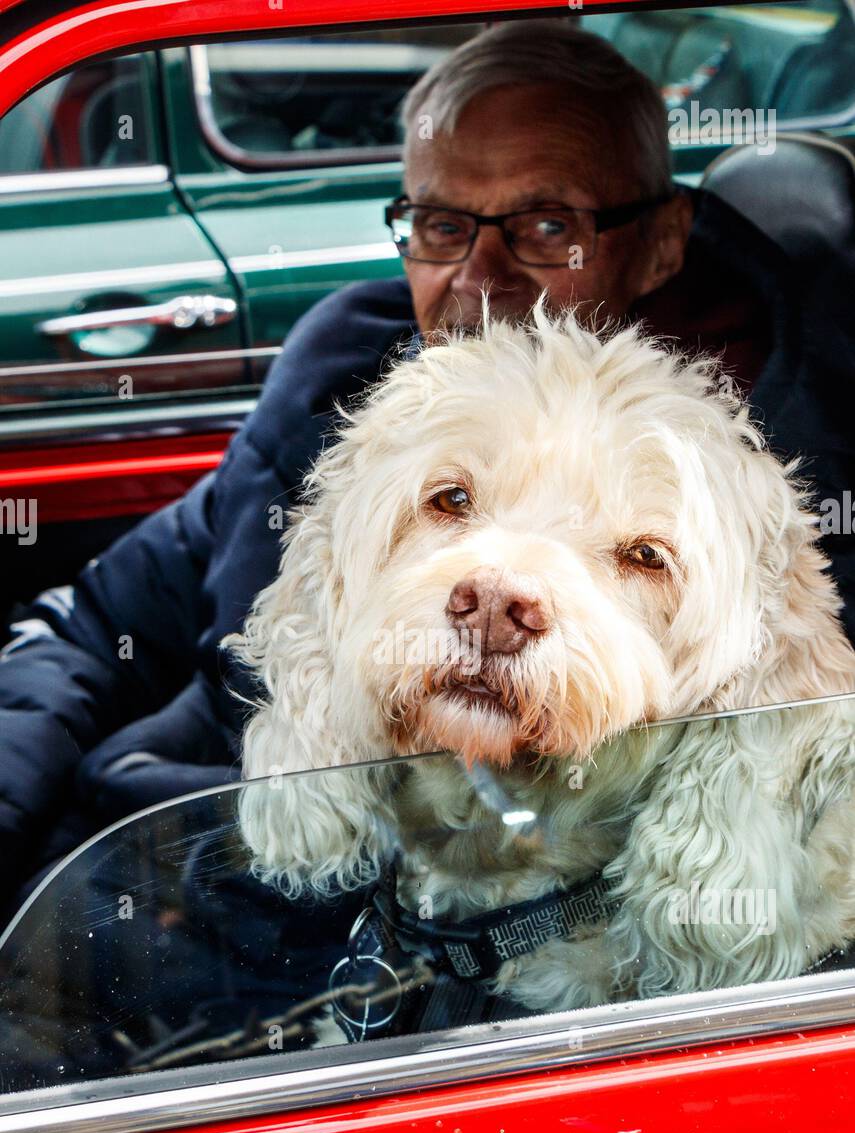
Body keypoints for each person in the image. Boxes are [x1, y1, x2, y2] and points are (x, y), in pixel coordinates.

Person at [1, 18, 853, 919]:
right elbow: (91, 625)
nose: (479, 279)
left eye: (544, 225)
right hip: (161, 868)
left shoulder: (755, 513)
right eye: (443, 225)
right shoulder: (340, 381)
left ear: (662, 241)